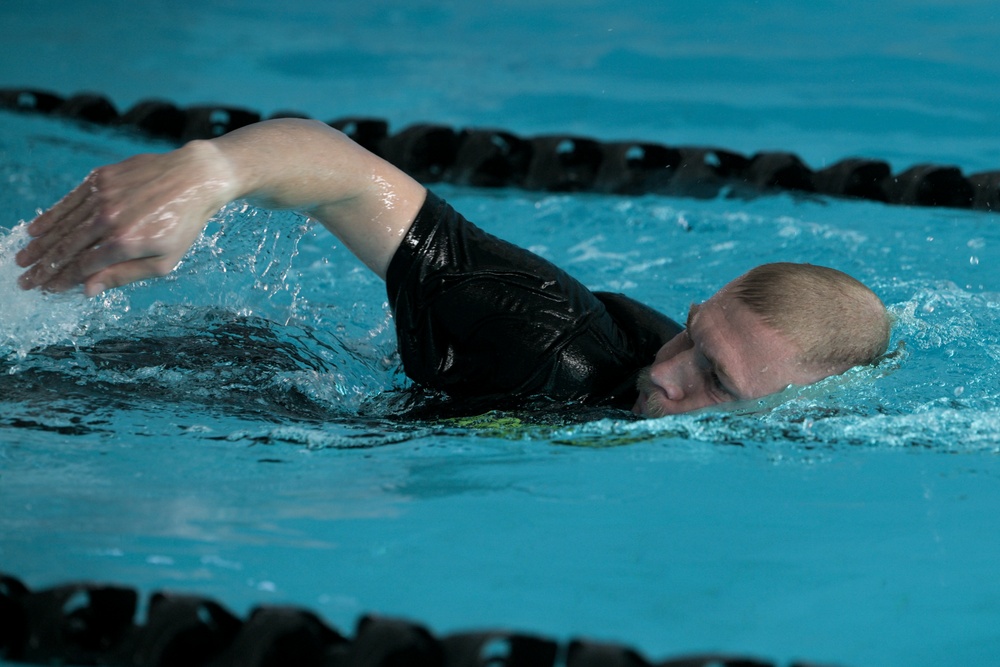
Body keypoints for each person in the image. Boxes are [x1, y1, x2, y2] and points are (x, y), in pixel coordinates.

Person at [14, 119, 891, 418]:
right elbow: (352, 180)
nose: (665, 377)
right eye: (693, 339)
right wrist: (213, 171)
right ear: (695, 306)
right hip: (234, 388)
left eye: (716, 383)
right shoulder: (550, 338)